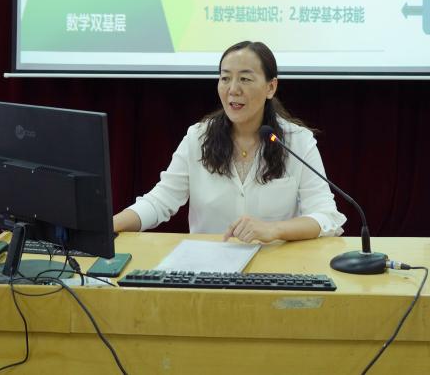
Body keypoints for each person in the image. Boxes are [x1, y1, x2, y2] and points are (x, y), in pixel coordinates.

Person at [112, 41, 346, 243]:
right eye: (225, 78)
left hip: (274, 265)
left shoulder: (297, 141)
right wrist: (109, 226)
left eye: (245, 79)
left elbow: (327, 216)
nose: (233, 89)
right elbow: (160, 201)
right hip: (207, 266)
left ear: (270, 87)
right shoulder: (198, 137)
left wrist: (274, 230)